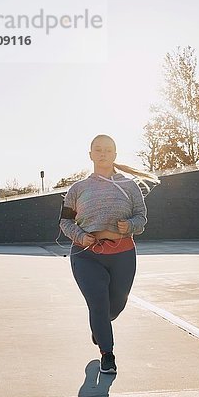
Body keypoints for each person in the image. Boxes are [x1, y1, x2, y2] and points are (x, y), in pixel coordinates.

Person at [59, 134, 160, 374]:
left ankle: (100, 326)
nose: (103, 153)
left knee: (115, 307)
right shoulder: (77, 189)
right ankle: (108, 353)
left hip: (123, 254)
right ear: (90, 154)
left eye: (108, 150)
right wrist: (80, 236)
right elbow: (64, 222)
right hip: (86, 255)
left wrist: (131, 226)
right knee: (99, 303)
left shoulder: (130, 186)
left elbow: (141, 217)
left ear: (115, 155)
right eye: (98, 149)